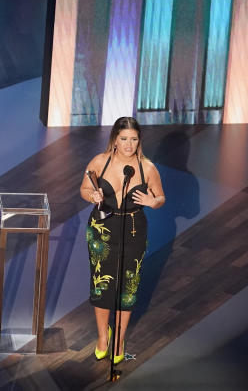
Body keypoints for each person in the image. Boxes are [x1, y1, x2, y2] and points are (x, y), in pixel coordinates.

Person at [80, 116, 165, 364]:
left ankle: (119, 339)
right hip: (102, 228)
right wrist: (92, 195)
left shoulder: (147, 168)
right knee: (101, 283)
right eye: (124, 139)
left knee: (128, 287)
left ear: (139, 141)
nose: (129, 144)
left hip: (133, 229)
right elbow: (84, 189)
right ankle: (103, 337)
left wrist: (153, 202)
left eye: (134, 139)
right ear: (115, 140)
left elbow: (160, 197)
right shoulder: (99, 161)